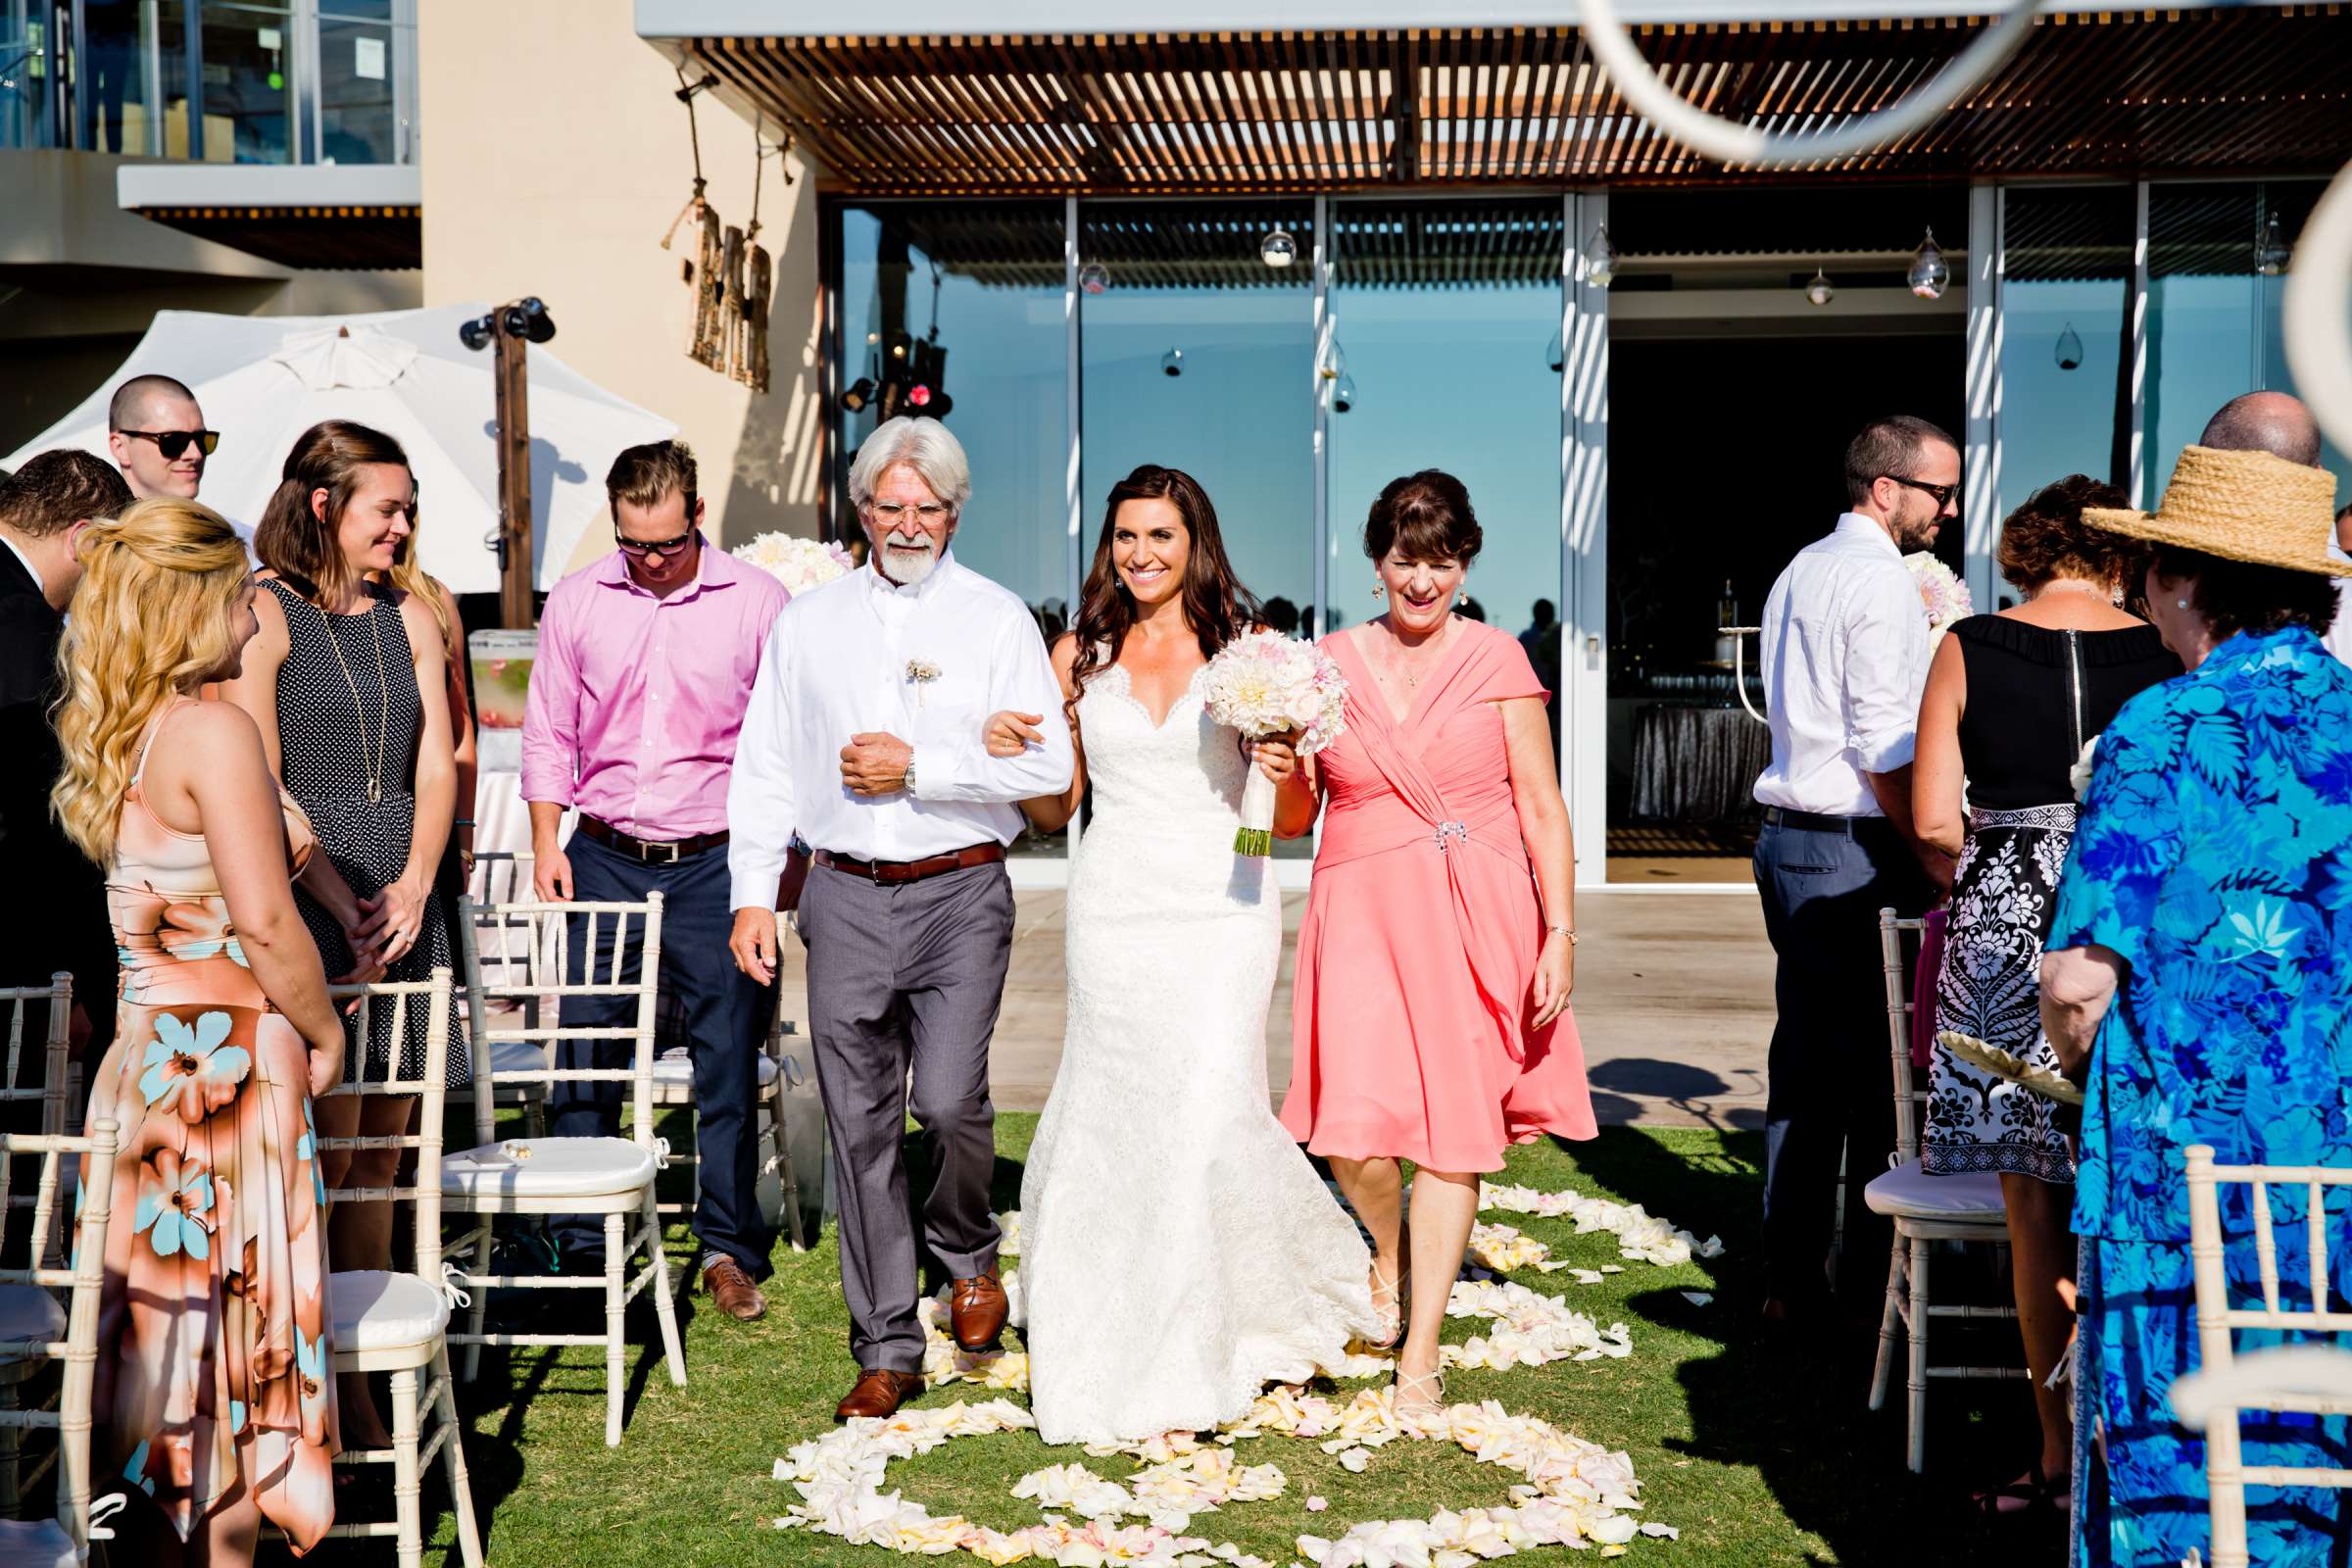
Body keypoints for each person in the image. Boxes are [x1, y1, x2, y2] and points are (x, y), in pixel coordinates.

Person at [984, 465, 1379, 1445]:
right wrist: (1013, 749)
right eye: (1126, 536)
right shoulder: (1078, 651)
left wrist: (1285, 757)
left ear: (1195, 543)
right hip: (1115, 906)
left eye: (1161, 535)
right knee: (1121, 1101)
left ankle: (1215, 1313)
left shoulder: (1246, 655)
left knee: (1209, 1103)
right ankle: (1110, 1300)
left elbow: (1289, 818)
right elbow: (1055, 809)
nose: (1142, 554)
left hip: (1224, 902)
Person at [726, 416, 1073, 1422]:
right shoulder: (809, 623)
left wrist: (926, 765)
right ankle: (885, 1342)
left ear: (955, 513)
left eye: (927, 507)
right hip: (840, 892)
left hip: (962, 890)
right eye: (891, 504)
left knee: (955, 1101)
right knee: (859, 1124)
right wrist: (757, 891)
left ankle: (968, 1253)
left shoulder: (999, 619)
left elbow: (1048, 770)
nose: (908, 522)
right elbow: (767, 767)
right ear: (861, 508)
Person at [2042, 444, 2352, 1567]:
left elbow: (2079, 976)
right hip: (2340, 1153)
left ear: (2184, 579)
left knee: (2174, 1410)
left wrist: (2079, 1068)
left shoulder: (2165, 727)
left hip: (2185, 1166)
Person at [56, 497, 343, 1562]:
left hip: (145, 1075)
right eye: (242, 591)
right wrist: (323, 1031)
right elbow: (266, 922)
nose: (258, 611)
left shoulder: (118, 729)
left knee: (180, 1367)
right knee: (227, 1365)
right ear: (197, 603)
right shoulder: (212, 729)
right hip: (220, 1069)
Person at [1280, 469, 1593, 1419]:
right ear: (1375, 562)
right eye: (1407, 561)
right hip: (1359, 908)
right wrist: (1280, 756)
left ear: (1466, 562)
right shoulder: (1321, 665)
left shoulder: (1498, 658)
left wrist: (1560, 930)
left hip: (1476, 909)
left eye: (1443, 562)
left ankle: (1420, 1349)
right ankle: (1387, 1246)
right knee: (1352, 1134)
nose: (1423, 581)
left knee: (1452, 1136)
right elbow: (1296, 816)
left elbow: (1541, 802)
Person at [1911, 473, 2179, 1516]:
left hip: (2006, 921)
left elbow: (1937, 821)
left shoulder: (1968, 644)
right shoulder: (2164, 653)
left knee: (2033, 1202)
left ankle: (2055, 1454)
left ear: (2027, 548)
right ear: (2124, 552)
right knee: (2138, 1185)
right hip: (2125, 919)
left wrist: (1993, 880)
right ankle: (2137, 1446)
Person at [219, 418, 458, 1448]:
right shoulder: (261, 611)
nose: (403, 527)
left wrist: (411, 882)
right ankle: (328, 1386)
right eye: (387, 508)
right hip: (314, 895)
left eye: (407, 509)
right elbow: (257, 779)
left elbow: (437, 763)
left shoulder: (410, 613)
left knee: (387, 1150)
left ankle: (370, 1372)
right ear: (325, 505)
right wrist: (338, 900)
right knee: (329, 1144)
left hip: (407, 894)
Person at [520, 439, 790, 1319]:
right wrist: (545, 840)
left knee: (726, 1055)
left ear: (698, 518)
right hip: (601, 851)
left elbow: (782, 745)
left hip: (715, 861)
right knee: (586, 1050)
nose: (648, 561)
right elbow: (549, 730)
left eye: (665, 544)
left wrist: (772, 872)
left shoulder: (759, 604)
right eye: (633, 543)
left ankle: (725, 1246)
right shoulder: (576, 599)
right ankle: (581, 1240)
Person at [1750, 415, 1960, 1327]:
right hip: (1852, 847)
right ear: (1887, 490)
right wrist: (1934, 853)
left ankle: (1792, 1274)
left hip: (1793, 839)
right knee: (1874, 1076)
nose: (1948, 510)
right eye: (1938, 492)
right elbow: (1882, 743)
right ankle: (1872, 1284)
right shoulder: (1876, 583)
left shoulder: (1802, 565)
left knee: (1807, 1064)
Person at [0, 454, 130, 1075]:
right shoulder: (23, 624)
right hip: (17, 956)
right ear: (82, 539)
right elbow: (35, 821)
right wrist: (67, 971)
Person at [384, 518, 478, 964]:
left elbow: (460, 737)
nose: (400, 523)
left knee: (432, 989)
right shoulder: (283, 600)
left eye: (408, 506)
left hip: (429, 822)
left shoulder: (432, 599)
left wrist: (463, 837)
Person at [107, 374, 215, 501]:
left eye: (201, 439)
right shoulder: (87, 520)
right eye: (173, 441)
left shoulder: (224, 521)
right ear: (121, 448)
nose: (196, 454)